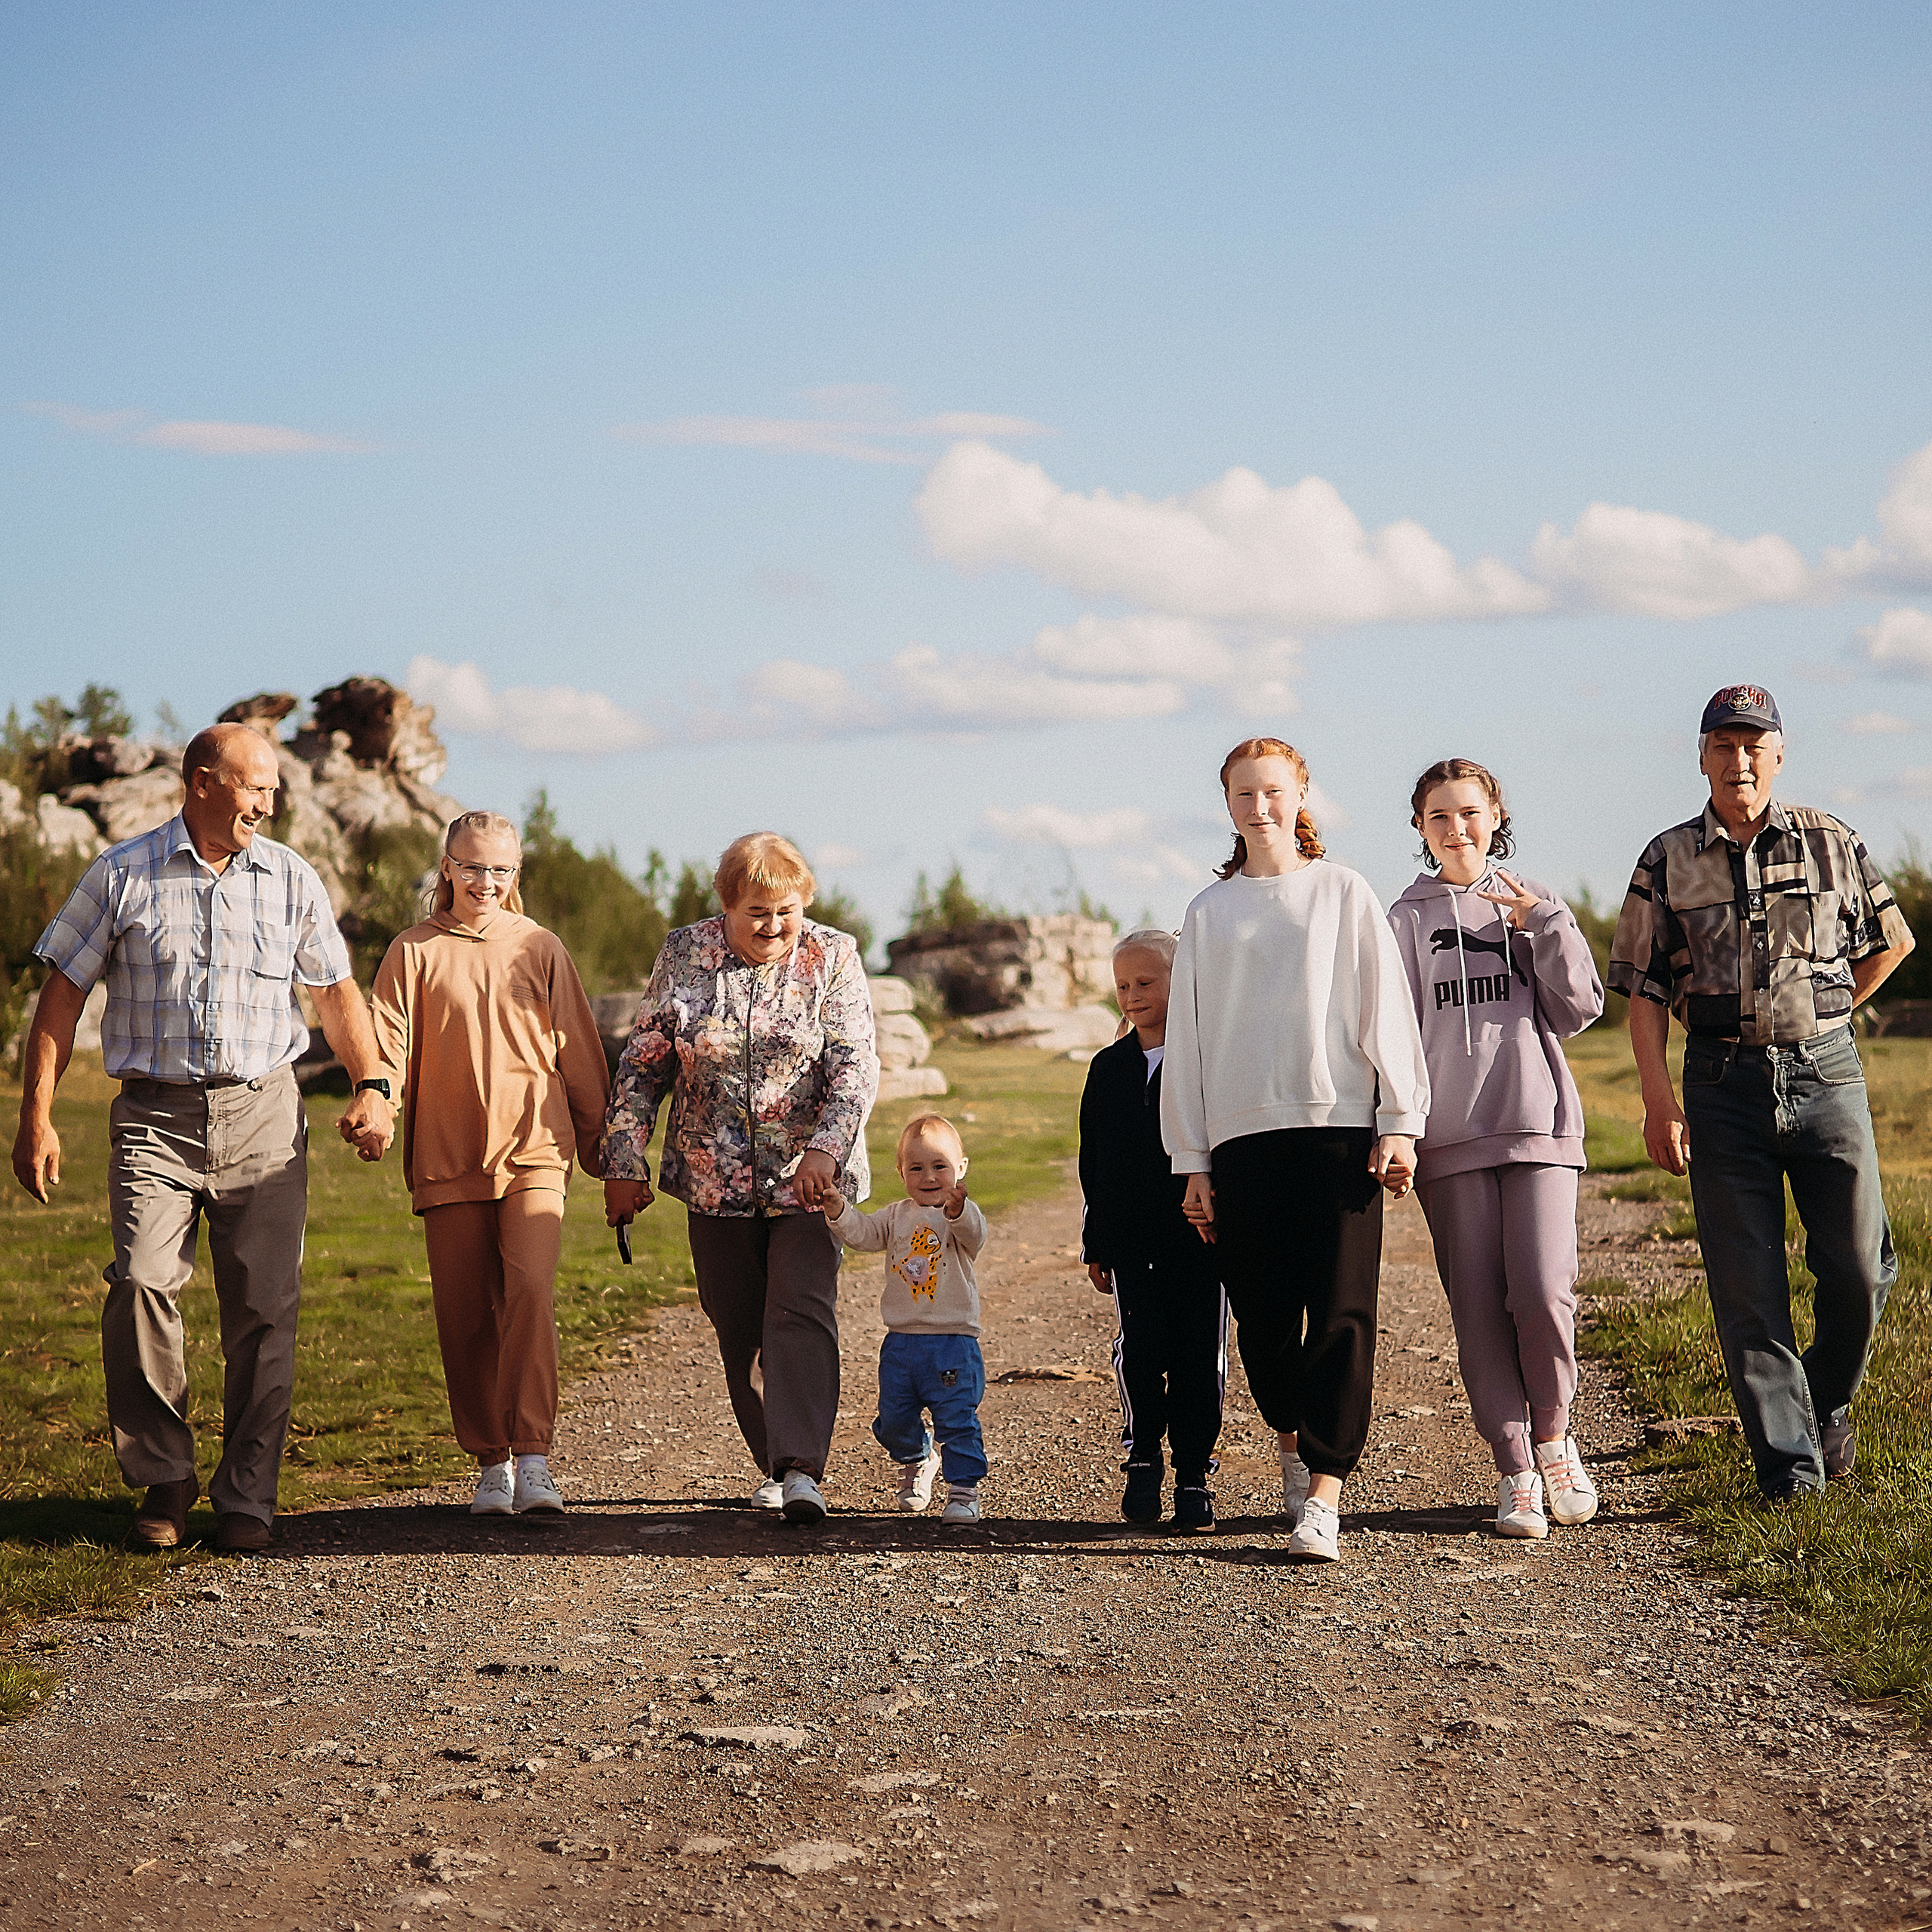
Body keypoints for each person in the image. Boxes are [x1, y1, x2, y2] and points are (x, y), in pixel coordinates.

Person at [11, 722, 395, 1554]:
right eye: (255, 786)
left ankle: (248, 1492)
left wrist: (371, 1085)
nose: (268, 804)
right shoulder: (122, 873)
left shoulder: (290, 877)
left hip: (264, 1114)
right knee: (140, 1285)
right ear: (202, 783)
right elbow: (62, 996)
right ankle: (165, 1476)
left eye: (273, 790)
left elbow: (335, 993)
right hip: (155, 1116)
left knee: (265, 1309)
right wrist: (36, 1115)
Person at [1608, 685, 1914, 1500]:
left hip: (1826, 1076)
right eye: (1724, 745)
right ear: (1702, 756)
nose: (1738, 760)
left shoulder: (1829, 840)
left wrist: (1829, 1011)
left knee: (1861, 1267)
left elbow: (1891, 941)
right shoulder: (1665, 858)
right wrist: (1658, 1101)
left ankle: (1823, 1398)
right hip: (1719, 1085)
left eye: (1753, 746)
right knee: (1747, 1289)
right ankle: (1790, 1473)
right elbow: (1643, 990)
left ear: (1778, 754)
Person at [1163, 737, 1429, 1564]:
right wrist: (1191, 1160)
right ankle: (1288, 1434)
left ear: (1301, 794)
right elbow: (1187, 1040)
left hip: (1339, 1129)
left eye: (1274, 790)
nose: (1260, 806)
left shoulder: (1343, 891)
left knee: (1344, 1312)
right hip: (1241, 1138)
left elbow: (1386, 1009)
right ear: (1228, 804)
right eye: (1244, 794)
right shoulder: (1208, 913)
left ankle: (1324, 1492)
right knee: (1264, 1322)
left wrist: (1399, 1119)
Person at [601, 832, 878, 1524]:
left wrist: (826, 1151)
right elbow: (644, 1064)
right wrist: (624, 1161)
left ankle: (800, 1469)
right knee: (737, 1322)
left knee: (800, 1309)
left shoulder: (833, 956)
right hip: (711, 1179)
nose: (774, 925)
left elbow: (855, 1066)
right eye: (757, 911)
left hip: (810, 1179)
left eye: (787, 910)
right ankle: (775, 1459)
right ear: (726, 906)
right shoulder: (685, 953)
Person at [366, 811, 609, 1518]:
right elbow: (385, 1047)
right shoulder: (412, 951)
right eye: (473, 867)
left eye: (501, 869)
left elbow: (580, 1053)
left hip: (536, 1149)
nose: (486, 882)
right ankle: (492, 1463)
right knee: (466, 1315)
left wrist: (609, 1154)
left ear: (516, 873)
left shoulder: (540, 946)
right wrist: (377, 1105)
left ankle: (533, 1458)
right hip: (446, 1154)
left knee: (530, 1289)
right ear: (447, 867)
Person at [1388, 759, 1604, 1539]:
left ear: (1496, 817)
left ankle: (1555, 1442)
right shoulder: (1402, 920)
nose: (1457, 828)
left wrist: (1543, 926)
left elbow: (1579, 1008)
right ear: (1421, 828)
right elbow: (1393, 1036)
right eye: (1440, 816)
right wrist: (1397, 1128)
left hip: (1537, 1123)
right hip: (1449, 1139)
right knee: (1477, 1306)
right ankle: (1515, 1470)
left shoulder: (1532, 900)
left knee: (1543, 1290)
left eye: (1470, 812)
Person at [1079, 929, 1228, 1534]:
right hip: (1132, 1245)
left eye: (1146, 982)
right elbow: (1094, 1163)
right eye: (1122, 986)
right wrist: (1097, 1242)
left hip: (1200, 1245)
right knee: (1139, 1353)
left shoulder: (1207, 1061)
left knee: (1198, 1358)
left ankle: (1193, 1475)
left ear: (1180, 980)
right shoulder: (1108, 1069)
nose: (1133, 995)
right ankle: (1143, 1458)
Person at [821, 1112, 988, 1525]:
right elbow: (863, 1234)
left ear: (961, 1168)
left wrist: (959, 1211)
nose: (928, 1177)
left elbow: (975, 1236)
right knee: (893, 1418)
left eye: (940, 1166)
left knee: (957, 1419)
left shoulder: (960, 1215)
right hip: (901, 1342)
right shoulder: (896, 1216)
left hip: (952, 1341)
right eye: (916, 1168)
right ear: (900, 1172)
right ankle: (917, 1457)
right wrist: (839, 1210)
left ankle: (964, 1490)